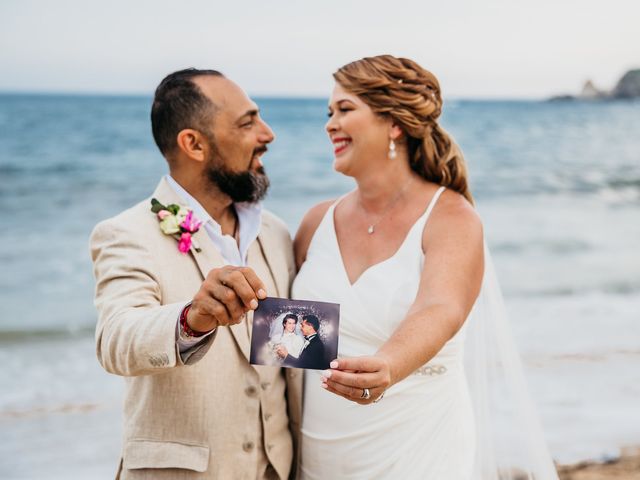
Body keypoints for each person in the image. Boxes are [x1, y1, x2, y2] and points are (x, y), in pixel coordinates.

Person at [291, 55, 559, 479]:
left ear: (394, 124)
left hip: (417, 444)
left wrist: (390, 366)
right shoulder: (315, 224)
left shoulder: (450, 217)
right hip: (322, 447)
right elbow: (288, 336)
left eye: (345, 109)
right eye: (329, 112)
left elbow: (441, 307)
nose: (329, 124)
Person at [90, 68, 301, 480]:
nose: (268, 134)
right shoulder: (126, 233)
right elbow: (115, 340)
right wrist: (191, 319)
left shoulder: (275, 233)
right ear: (194, 144)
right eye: (248, 122)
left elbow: (285, 349)